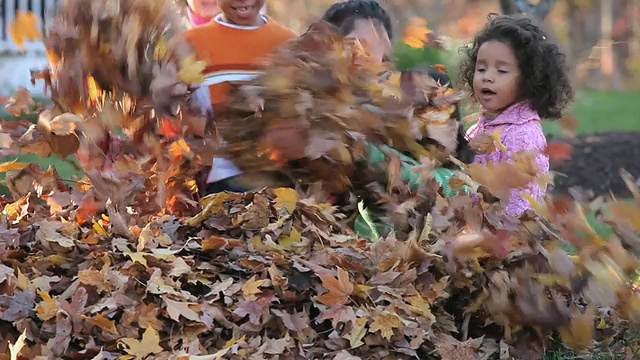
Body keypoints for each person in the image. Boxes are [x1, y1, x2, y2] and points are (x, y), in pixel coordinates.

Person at [460, 14, 573, 216]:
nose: (488, 77)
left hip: (504, 239)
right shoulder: (480, 127)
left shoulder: (522, 136)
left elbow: (522, 201)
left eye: (501, 71)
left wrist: (506, 240)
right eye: (481, 68)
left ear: (528, 80)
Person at [181, 0, 296, 194]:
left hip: (280, 180)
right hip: (217, 184)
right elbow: (177, 117)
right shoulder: (190, 44)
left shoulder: (289, 44)